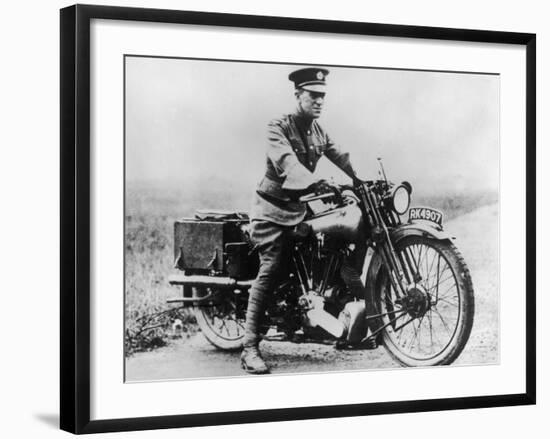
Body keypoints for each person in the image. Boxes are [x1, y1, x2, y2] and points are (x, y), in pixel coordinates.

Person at [241, 67, 376, 374]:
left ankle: (339, 321)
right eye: (313, 95)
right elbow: (288, 163)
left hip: (302, 208)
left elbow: (341, 156)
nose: (319, 101)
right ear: (297, 95)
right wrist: (316, 183)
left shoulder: (318, 130)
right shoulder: (277, 126)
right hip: (272, 211)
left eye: (322, 96)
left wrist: (362, 180)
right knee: (272, 266)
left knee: (337, 243)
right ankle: (249, 348)